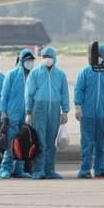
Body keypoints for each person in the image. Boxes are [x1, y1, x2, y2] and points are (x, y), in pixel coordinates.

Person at [74, 44, 104, 179]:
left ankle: (100, 169)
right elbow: (79, 89)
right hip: (87, 115)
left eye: (101, 55)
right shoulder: (85, 72)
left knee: (101, 145)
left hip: (103, 116)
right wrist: (78, 106)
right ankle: (85, 170)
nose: (98, 57)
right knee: (86, 144)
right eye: (97, 55)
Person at [25, 47, 70, 180]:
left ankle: (50, 170)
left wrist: (65, 111)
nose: (46, 58)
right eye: (44, 56)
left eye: (48, 56)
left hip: (54, 110)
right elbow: (29, 93)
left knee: (51, 142)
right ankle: (39, 170)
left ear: (54, 57)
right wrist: (29, 112)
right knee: (40, 141)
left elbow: (64, 93)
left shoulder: (60, 75)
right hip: (39, 110)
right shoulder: (35, 73)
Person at [0, 49, 35, 179]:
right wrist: (3, 112)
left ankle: (19, 170)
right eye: (27, 60)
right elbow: (4, 95)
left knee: (24, 143)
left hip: (27, 115)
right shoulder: (12, 75)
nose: (29, 62)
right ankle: (5, 168)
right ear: (21, 60)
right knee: (11, 143)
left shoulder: (34, 76)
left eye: (31, 60)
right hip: (13, 114)